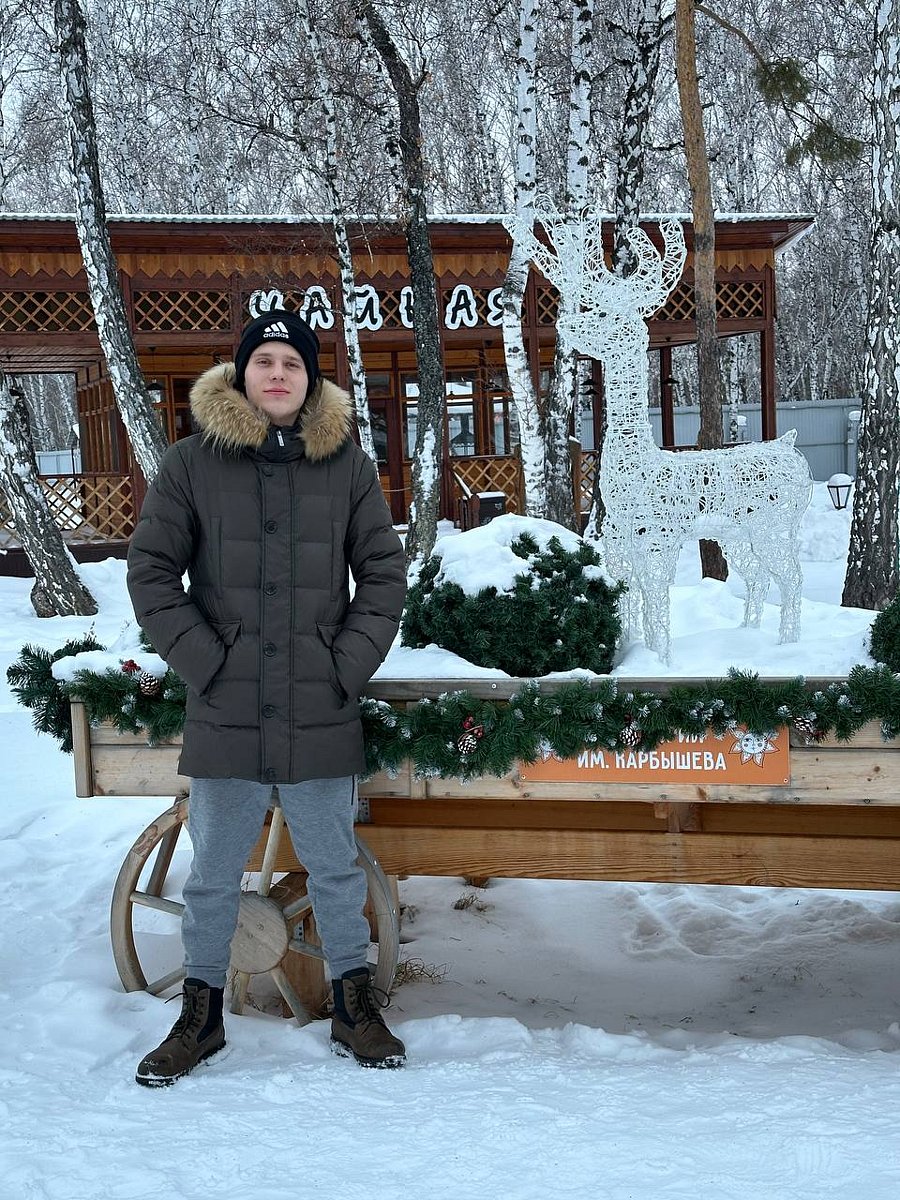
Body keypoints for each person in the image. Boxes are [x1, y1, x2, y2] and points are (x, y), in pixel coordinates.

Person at [126, 309, 407, 1085]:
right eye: (264, 361)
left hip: (319, 703)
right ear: (242, 374)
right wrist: (205, 663)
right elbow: (152, 572)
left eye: (292, 362)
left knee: (335, 869)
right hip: (227, 707)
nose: (277, 373)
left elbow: (383, 573)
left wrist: (345, 665)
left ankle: (353, 1006)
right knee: (213, 873)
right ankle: (201, 1016)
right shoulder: (190, 464)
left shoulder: (346, 465)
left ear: (309, 380)